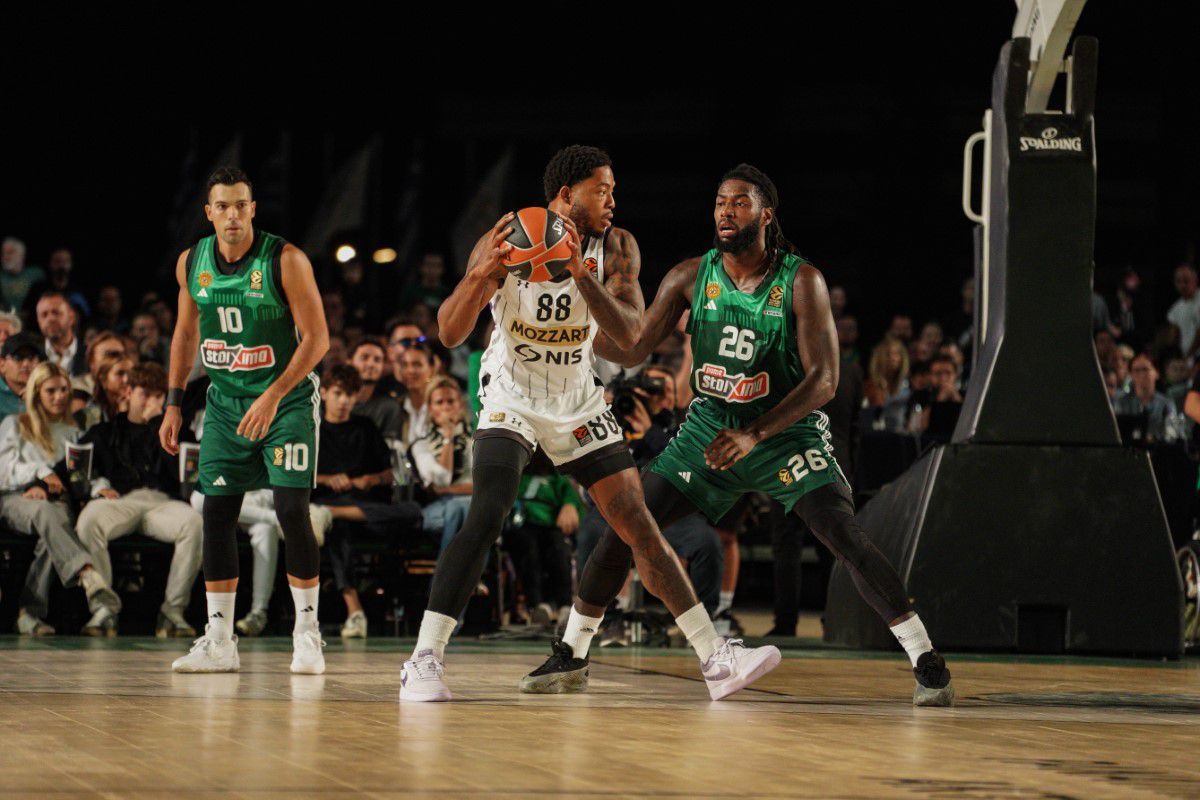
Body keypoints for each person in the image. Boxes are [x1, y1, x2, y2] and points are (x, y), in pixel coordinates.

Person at [528, 164, 954, 706]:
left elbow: (825, 379)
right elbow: (632, 348)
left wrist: (755, 434)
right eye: (720, 202)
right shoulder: (689, 275)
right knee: (625, 528)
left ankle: (926, 658)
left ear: (765, 214)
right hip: (708, 432)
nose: (725, 211)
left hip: (784, 434)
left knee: (842, 534)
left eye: (739, 203)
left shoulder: (801, 280)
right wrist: (575, 330)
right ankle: (572, 653)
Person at [403, 145, 778, 703]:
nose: (612, 199)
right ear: (564, 195)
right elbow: (451, 333)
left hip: (577, 398)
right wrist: (480, 275)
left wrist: (580, 272)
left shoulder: (616, 246)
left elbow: (629, 339)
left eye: (612, 190)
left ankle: (714, 658)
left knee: (636, 521)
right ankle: (423, 659)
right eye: (602, 189)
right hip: (512, 393)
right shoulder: (506, 237)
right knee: (487, 512)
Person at [159, 167, 330, 675]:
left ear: (253, 209)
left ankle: (307, 634)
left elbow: (317, 340)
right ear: (208, 213)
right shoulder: (192, 263)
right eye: (223, 206)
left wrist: (274, 395)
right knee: (216, 514)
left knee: (291, 511)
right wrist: (172, 402)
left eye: (241, 205)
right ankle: (219, 640)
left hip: (287, 400)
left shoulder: (287, 260)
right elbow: (185, 335)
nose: (232, 214)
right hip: (225, 402)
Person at [68, 363, 202, 637]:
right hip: (120, 500)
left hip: (162, 502)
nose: (152, 401)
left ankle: (173, 612)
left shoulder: (178, 431)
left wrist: (157, 422)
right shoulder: (105, 431)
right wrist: (96, 487)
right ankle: (103, 609)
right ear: (128, 392)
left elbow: (184, 476)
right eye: (145, 394)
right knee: (89, 519)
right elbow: (75, 468)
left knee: (194, 522)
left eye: (158, 395)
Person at [0, 362, 121, 635]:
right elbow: (4, 471)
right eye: (51, 390)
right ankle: (86, 572)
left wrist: (99, 487)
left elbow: (82, 475)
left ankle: (28, 613)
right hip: (15, 499)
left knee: (51, 531)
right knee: (47, 513)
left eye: (64, 390)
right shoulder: (16, 424)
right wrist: (40, 475)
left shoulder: (73, 432)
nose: (59, 397)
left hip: (55, 505)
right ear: (36, 393)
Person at [313, 364, 421, 639]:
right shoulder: (312, 429)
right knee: (338, 532)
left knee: (412, 511)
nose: (344, 401)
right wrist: (327, 479)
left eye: (350, 394)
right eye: (338, 393)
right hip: (331, 501)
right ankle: (355, 611)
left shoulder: (365, 427)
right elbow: (299, 473)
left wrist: (369, 480)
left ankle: (333, 513)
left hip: (367, 508)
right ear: (323, 393)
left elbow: (389, 474)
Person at [410, 376, 474, 554]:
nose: (446, 407)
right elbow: (442, 479)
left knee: (465, 510)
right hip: (436, 509)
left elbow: (484, 486)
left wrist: (447, 490)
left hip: (469, 506)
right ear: (431, 409)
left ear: (460, 406)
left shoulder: (475, 442)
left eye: (451, 401)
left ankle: (446, 579)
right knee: (465, 512)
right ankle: (469, 579)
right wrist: (448, 438)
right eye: (439, 402)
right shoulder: (420, 445)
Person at [349, 337, 403, 440]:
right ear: (350, 361)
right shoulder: (331, 401)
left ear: (383, 366)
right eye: (364, 358)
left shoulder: (389, 407)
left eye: (377, 360)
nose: (371, 364)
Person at [36, 291, 86, 376]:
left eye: (56, 313)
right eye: (44, 315)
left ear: (72, 317)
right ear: (38, 321)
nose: (50, 319)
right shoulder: (33, 356)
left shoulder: (89, 355)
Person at [0, 331, 44, 417]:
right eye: (18, 357)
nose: (26, 364)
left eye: (31, 357)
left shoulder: (48, 392)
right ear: (2, 364)